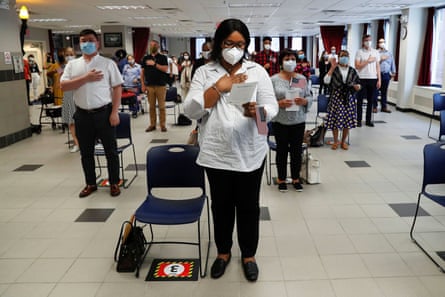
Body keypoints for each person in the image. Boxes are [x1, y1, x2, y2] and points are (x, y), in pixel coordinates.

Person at [183, 18, 278, 282]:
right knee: (221, 206)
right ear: (218, 43)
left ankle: (249, 255)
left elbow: (271, 108)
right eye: (229, 43)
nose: (234, 49)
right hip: (216, 153)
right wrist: (219, 87)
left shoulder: (257, 71)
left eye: (240, 44)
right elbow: (191, 109)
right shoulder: (204, 72)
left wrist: (256, 111)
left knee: (249, 207)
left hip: (250, 152)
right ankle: (223, 252)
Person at [60, 29, 123, 198]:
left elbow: (117, 88)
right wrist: (86, 78)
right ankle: (90, 183)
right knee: (86, 152)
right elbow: (64, 86)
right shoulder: (73, 65)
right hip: (82, 114)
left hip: (104, 112)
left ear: (97, 43)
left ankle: (114, 183)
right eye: (83, 40)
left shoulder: (107, 63)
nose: (86, 43)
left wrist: (115, 112)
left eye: (90, 40)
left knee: (111, 151)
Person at [270, 48, 312, 192]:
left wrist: (305, 101)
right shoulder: (274, 79)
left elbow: (308, 96)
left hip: (298, 121)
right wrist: (279, 104)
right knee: (281, 151)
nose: (290, 61)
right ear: (281, 62)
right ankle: (281, 179)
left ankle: (295, 178)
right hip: (280, 122)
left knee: (296, 151)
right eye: (287, 59)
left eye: (293, 59)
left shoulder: (300, 79)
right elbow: (267, 101)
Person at [324, 50, 361, 150]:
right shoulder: (334, 69)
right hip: (336, 97)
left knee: (347, 121)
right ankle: (336, 141)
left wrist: (358, 86)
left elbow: (358, 82)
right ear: (338, 57)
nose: (344, 58)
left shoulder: (352, 70)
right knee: (335, 120)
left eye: (346, 56)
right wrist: (332, 67)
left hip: (348, 98)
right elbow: (326, 81)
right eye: (342, 56)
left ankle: (343, 141)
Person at [141, 40, 169, 132]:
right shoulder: (146, 58)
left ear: (158, 46)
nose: (152, 46)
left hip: (160, 85)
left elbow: (165, 69)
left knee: (161, 107)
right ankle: (152, 124)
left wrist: (154, 64)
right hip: (149, 85)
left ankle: (162, 125)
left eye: (154, 45)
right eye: (151, 45)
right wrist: (143, 84)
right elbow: (142, 73)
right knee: (151, 107)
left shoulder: (163, 57)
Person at [355, 34, 381, 127]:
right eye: (366, 40)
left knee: (371, 100)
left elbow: (378, 66)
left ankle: (368, 120)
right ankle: (358, 120)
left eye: (369, 40)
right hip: (361, 78)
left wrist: (379, 79)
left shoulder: (376, 52)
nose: (368, 42)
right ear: (363, 41)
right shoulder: (359, 52)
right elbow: (357, 66)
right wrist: (367, 61)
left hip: (373, 78)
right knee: (360, 100)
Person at [60, 47, 80, 153]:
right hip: (68, 94)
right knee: (71, 121)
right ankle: (76, 143)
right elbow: (60, 81)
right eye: (67, 54)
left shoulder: (79, 65)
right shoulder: (61, 67)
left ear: (75, 55)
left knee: (82, 120)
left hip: (79, 93)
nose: (69, 56)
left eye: (71, 54)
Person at [376, 38, 396, 113]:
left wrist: (393, 72)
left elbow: (392, 62)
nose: (382, 43)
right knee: (376, 91)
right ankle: (374, 106)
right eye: (380, 42)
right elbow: (374, 63)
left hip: (386, 74)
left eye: (383, 42)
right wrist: (381, 59)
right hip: (378, 74)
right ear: (378, 43)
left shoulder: (389, 53)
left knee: (384, 91)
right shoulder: (376, 52)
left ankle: (384, 107)